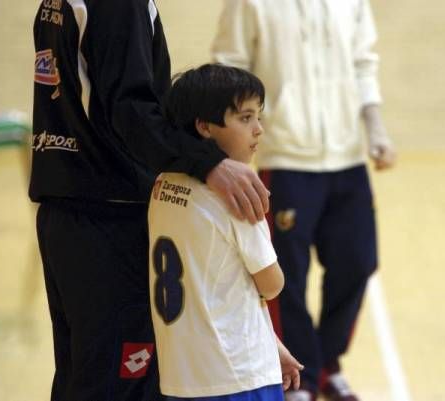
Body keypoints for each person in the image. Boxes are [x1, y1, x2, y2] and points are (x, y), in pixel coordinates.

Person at [31, 1, 270, 400]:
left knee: (82, 377)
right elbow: (130, 109)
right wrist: (208, 162)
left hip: (68, 210)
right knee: (120, 383)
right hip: (111, 216)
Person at [212, 1, 396, 400]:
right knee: (285, 278)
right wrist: (231, 151)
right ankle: (301, 376)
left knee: (358, 263)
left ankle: (325, 363)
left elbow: (364, 63)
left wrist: (376, 129)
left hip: (348, 159)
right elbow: (228, 68)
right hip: (285, 159)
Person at [148, 63, 303, 401]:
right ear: (204, 126)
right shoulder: (237, 193)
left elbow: (211, 289)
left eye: (258, 117)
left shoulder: (162, 185)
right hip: (240, 379)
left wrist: (271, 343)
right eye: (245, 118)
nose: (258, 130)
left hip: (181, 377)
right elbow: (272, 285)